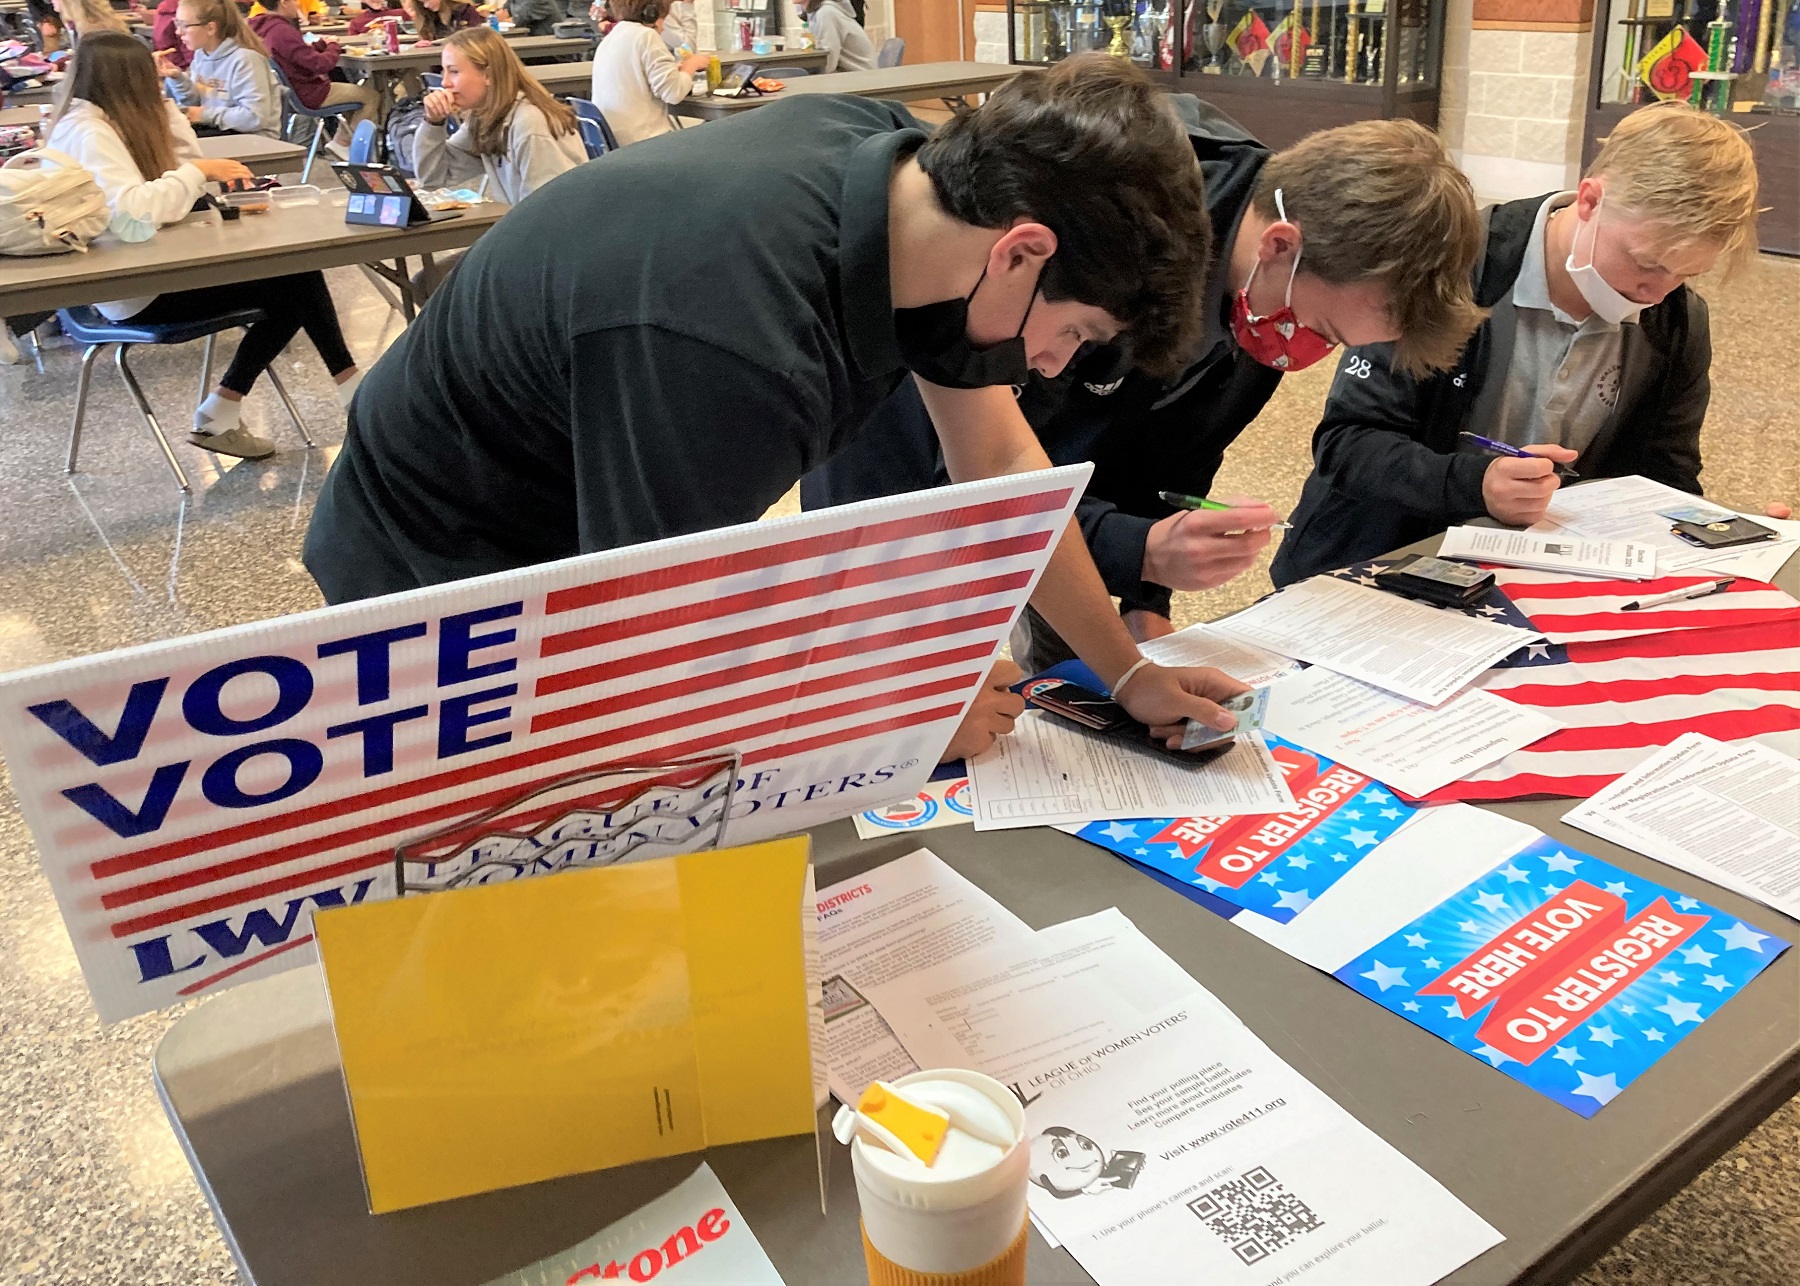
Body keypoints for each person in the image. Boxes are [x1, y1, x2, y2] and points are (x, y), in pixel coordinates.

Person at [303, 56, 1251, 747]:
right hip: (436, 569)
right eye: (1076, 332)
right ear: (1024, 252)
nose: (1050, 367)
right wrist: (897, 708)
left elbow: (1004, 471)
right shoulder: (729, 339)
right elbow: (653, 635)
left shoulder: (919, 193)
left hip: (590, 528)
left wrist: (1122, 673)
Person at [805, 106, 1486, 672]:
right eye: (1321, 326)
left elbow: (1182, 452)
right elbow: (986, 473)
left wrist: (1146, 598)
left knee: (1067, 704)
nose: (1307, 352)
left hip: (1040, 515)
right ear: (1281, 246)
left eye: (1335, 344)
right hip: (902, 506)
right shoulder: (1118, 245)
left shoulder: (1263, 296)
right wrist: (1137, 550)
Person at [1273, 101, 1774, 586]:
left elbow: (1664, 474)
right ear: (1590, 201)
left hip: (1526, 581)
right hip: (1368, 562)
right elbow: (1347, 445)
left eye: (1688, 273)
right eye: (1646, 262)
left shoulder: (1676, 321)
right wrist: (1475, 483)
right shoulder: (1452, 267)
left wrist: (1719, 532)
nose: (1656, 291)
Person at [50, 32, 365, 460]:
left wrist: (165, 111)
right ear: (130, 80)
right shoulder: (88, 133)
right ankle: (347, 393)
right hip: (131, 290)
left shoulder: (104, 122)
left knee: (293, 276)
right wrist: (197, 172)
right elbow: (133, 213)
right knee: (294, 280)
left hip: (149, 267)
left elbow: (178, 159)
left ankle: (232, 408)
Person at [414, 26, 585, 198]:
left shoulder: (531, 123)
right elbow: (435, 179)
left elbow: (548, 208)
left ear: (488, 75)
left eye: (454, 72)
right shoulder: (483, 117)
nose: (445, 83)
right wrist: (433, 122)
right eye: (444, 72)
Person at [587, 0, 707, 146]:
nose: (663, 29)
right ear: (652, 13)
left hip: (615, 141)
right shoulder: (646, 36)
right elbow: (673, 93)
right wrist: (691, 65)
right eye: (665, 18)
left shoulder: (611, 38)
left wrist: (672, 70)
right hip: (644, 143)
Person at [248, 0, 378, 134]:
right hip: (311, 93)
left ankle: (342, 141)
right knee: (371, 95)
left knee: (354, 95)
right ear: (283, 2)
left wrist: (321, 45)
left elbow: (296, 54)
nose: (297, 5)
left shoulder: (262, 28)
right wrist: (333, 46)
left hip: (287, 93)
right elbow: (321, 65)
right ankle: (345, 144)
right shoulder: (283, 31)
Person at [157, 0, 282, 138]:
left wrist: (203, 114)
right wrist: (177, 78)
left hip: (253, 139)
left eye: (184, 25)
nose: (178, 32)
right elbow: (195, 103)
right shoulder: (201, 55)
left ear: (211, 28)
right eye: (177, 23)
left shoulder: (245, 60)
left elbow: (254, 118)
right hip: (219, 131)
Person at [800, 0, 873, 73]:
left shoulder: (826, 13)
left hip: (860, 76)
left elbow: (829, 57)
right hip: (847, 73)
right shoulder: (817, 13)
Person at [404, 0, 480, 43]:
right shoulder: (427, 17)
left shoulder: (466, 11)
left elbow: (474, 41)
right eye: (422, 3)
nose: (426, 5)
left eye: (427, 0)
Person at [150, 0, 190, 66]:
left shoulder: (161, 9)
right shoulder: (183, 11)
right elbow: (190, 57)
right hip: (178, 67)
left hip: (163, 64)